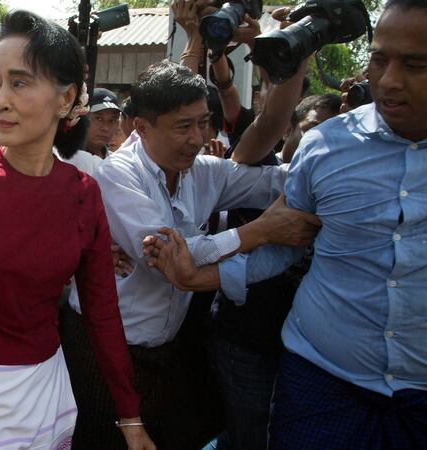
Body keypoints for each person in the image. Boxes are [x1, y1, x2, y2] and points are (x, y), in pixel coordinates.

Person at [151, 0, 427, 447]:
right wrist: (200, 276)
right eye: (379, 59)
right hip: (321, 381)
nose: (390, 80)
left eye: (415, 65)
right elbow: (283, 245)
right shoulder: (327, 148)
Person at [0, 10, 155, 450]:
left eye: (19, 82)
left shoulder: (83, 193)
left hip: (48, 389)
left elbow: (101, 312)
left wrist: (129, 415)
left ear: (66, 100)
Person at [62, 60, 320, 449]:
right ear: (142, 127)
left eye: (202, 123)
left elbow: (273, 182)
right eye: (183, 127)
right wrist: (259, 232)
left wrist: (332, 170)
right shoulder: (117, 175)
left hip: (170, 353)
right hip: (103, 351)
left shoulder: (205, 172)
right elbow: (168, 256)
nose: (197, 139)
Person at [84, 88, 122, 158]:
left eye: (112, 120)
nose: (105, 128)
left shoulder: (117, 163)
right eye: (99, 118)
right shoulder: (66, 161)